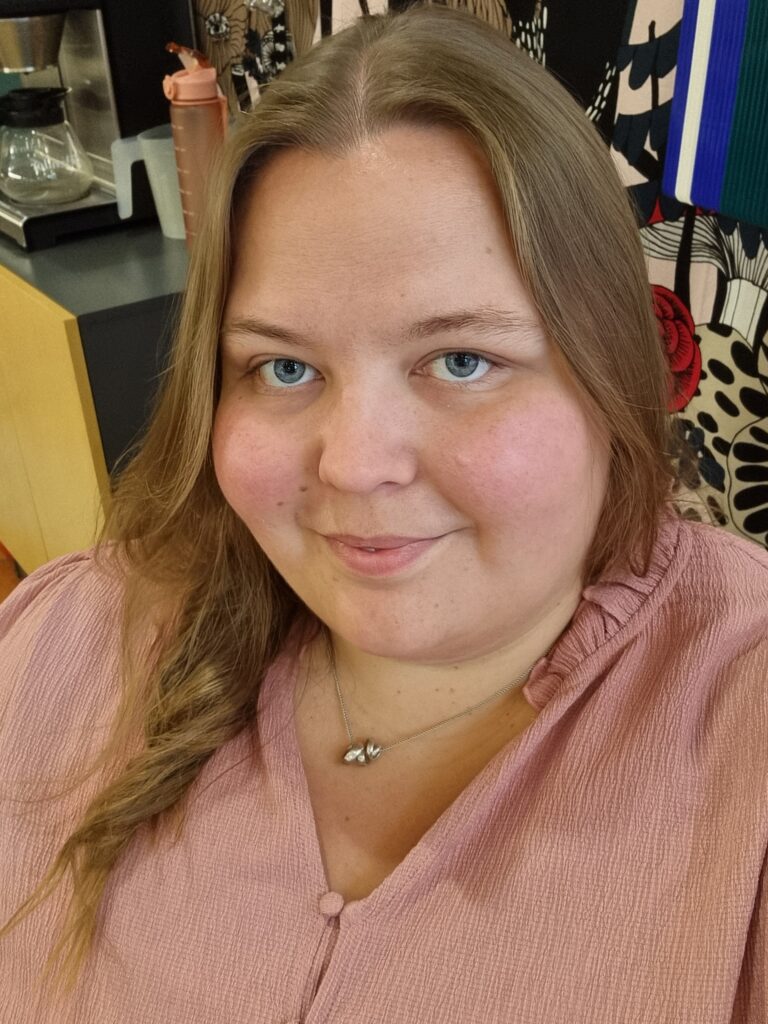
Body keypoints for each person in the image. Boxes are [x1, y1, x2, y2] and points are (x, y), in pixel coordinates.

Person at [1, 4, 766, 1022]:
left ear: (612, 371)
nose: (356, 466)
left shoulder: (742, 731)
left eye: (463, 361)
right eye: (283, 367)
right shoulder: (65, 647)